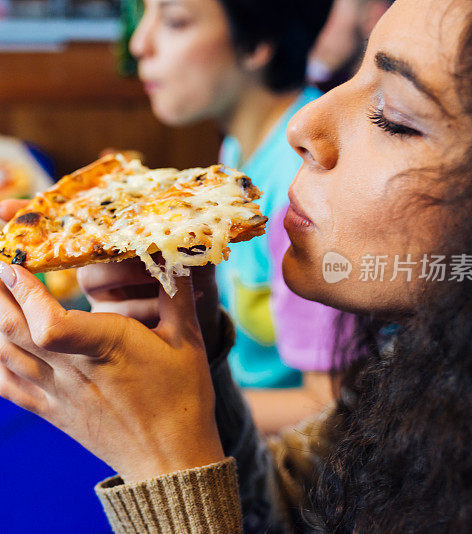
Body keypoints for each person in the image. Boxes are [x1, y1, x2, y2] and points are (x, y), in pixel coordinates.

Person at [0, 0, 472, 530]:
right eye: (353, 74)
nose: (301, 127)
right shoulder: (432, 372)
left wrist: (165, 461)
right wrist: (201, 365)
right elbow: (301, 507)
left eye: (392, 116)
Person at [126, 0, 340, 433]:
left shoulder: (306, 189)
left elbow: (330, 407)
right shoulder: (241, 149)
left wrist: (173, 403)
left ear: (258, 42)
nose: (138, 44)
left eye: (175, 21)